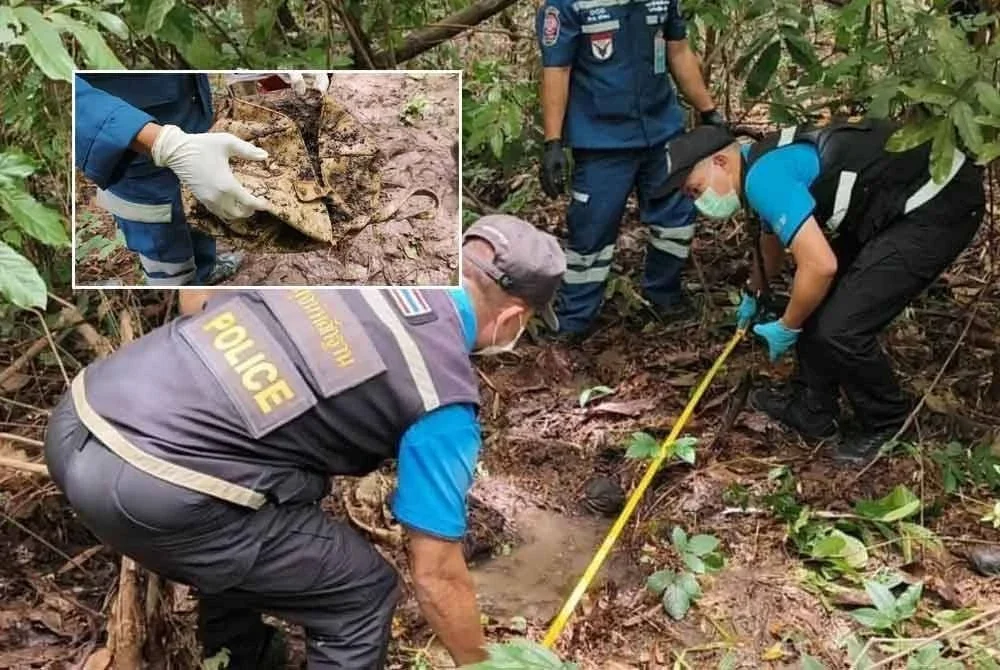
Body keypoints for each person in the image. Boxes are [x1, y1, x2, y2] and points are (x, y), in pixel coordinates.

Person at [44, 215, 566, 669]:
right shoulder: (442, 398)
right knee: (362, 596)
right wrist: (477, 662)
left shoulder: (353, 258)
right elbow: (435, 573)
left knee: (275, 485)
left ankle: (237, 656)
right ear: (513, 318)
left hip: (81, 415)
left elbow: (198, 298)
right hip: (155, 492)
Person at [655, 118, 985, 461]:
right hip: (892, 206)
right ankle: (813, 408)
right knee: (817, 301)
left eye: (695, 189)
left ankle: (887, 423)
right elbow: (771, 242)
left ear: (720, 162)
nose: (697, 201)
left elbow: (820, 265)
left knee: (840, 327)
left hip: (938, 204)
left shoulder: (764, 179)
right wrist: (755, 294)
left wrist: (788, 326)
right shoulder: (759, 162)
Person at [536, 0, 725, 340]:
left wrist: (708, 111)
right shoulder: (567, 5)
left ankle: (663, 295)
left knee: (675, 222)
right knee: (591, 232)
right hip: (601, 139)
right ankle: (575, 319)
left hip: (661, 129)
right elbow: (557, 69)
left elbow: (678, 50)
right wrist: (552, 142)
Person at [75, 73, 284, 286]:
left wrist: (266, 74)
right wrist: (162, 142)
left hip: (191, 122)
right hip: (136, 168)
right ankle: (177, 294)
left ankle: (206, 272)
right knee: (166, 258)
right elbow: (70, 95)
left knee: (201, 222)